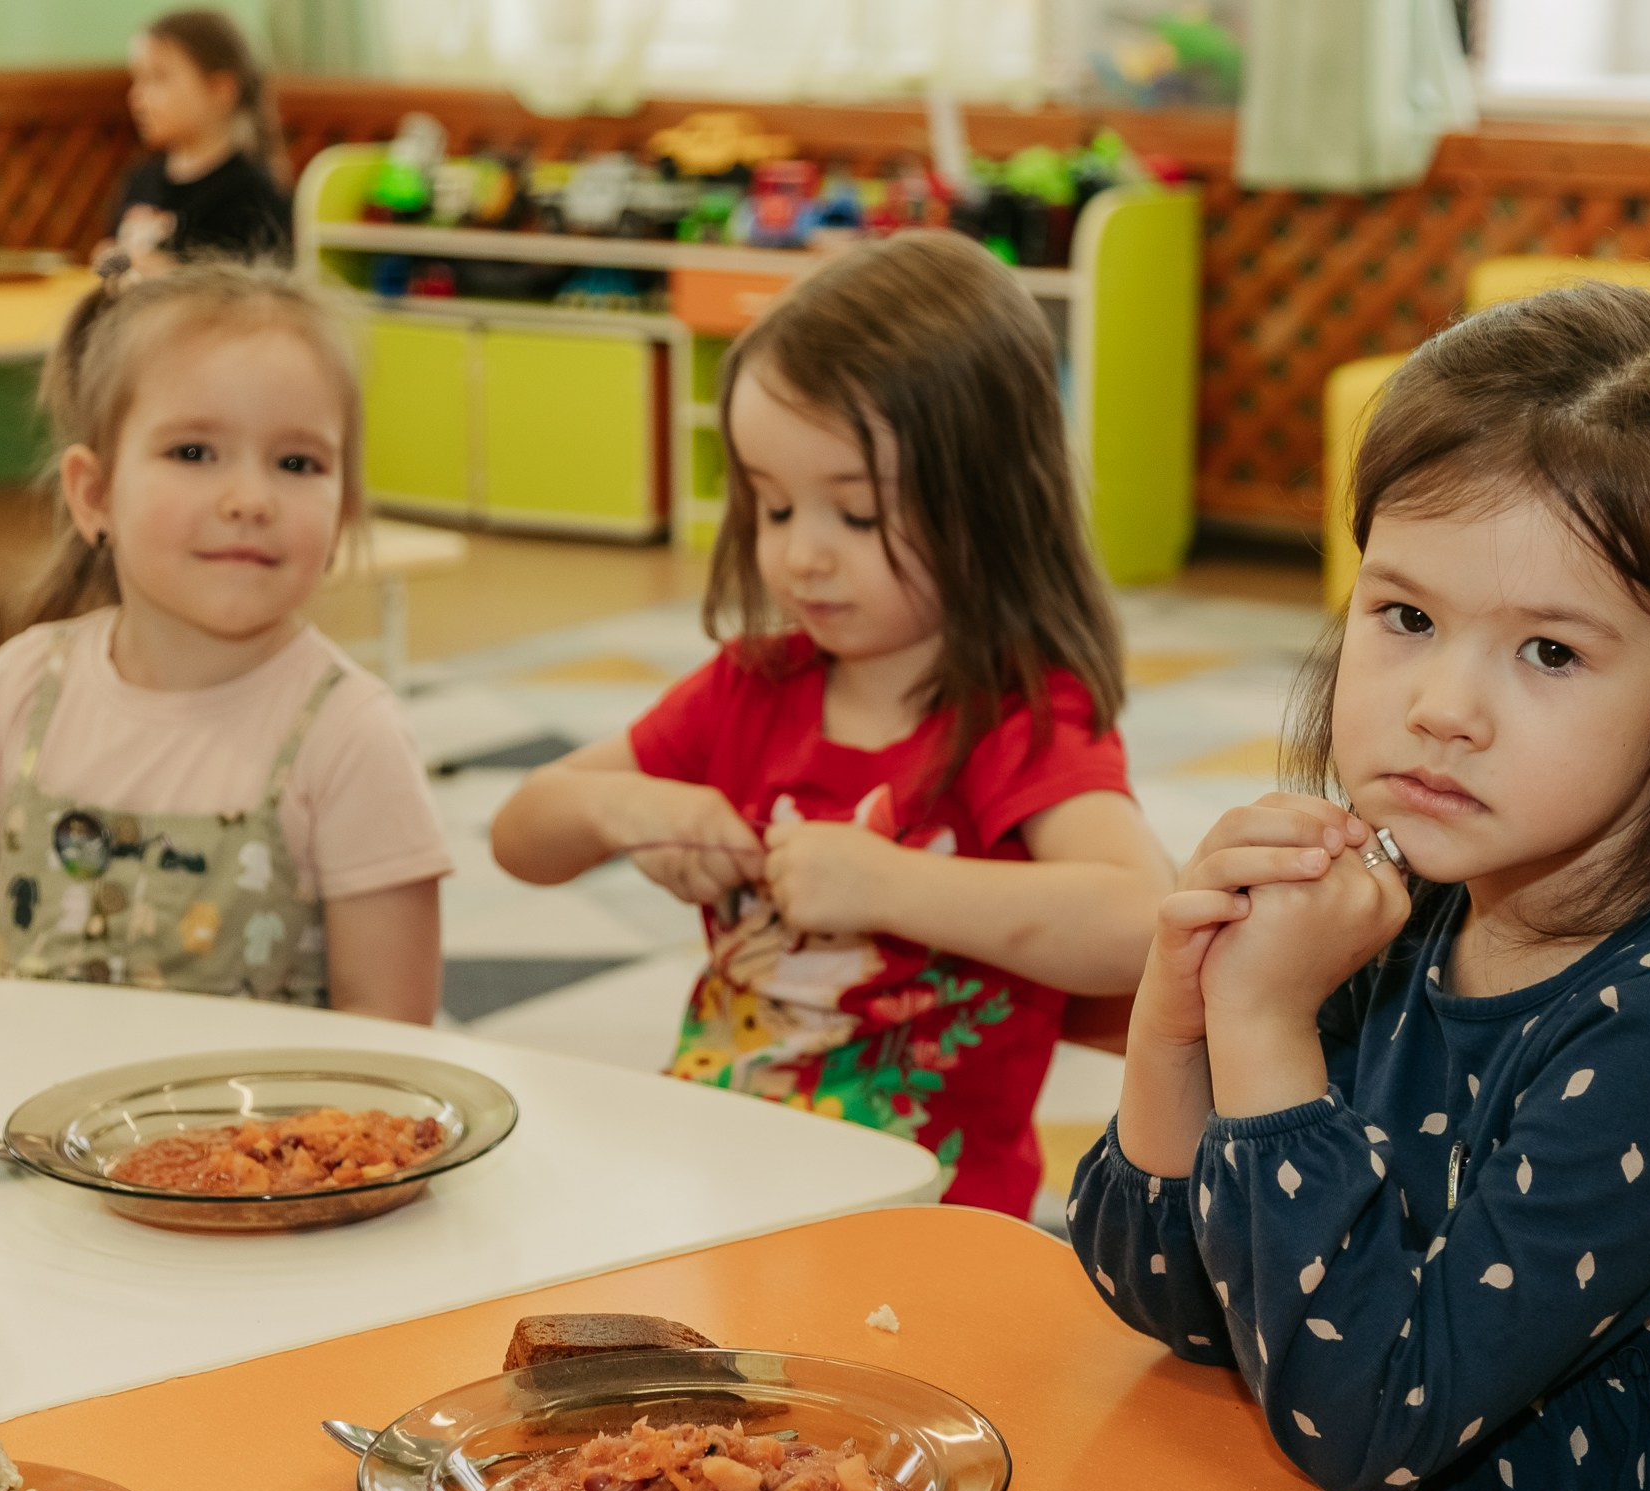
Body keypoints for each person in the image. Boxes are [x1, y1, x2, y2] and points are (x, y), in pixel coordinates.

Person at [1069, 282, 1650, 1491]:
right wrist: (1175, 1015)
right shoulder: (1408, 887)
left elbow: (1361, 1411)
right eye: (1406, 614)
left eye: (1549, 651)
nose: (1444, 702)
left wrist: (1264, 1029)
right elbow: (1171, 1293)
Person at [491, 231, 1175, 1217]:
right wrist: (621, 811)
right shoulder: (748, 689)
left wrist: (887, 885)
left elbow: (1135, 924)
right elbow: (523, 836)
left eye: (854, 517)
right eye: (772, 508)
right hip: (718, 1176)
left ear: (988, 510)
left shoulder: (1020, 720)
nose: (801, 556)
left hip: (917, 1221)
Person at [0, 261, 450, 1022]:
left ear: (342, 511)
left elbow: (389, 1036)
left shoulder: (350, 736)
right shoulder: (20, 688)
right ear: (95, 495)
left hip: (255, 1138)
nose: (249, 499)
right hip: (12, 1129)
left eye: (297, 463)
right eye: (192, 453)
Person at [101, 9, 291, 272]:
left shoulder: (250, 196)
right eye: (138, 79)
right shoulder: (142, 180)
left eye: (158, 78)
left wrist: (164, 272)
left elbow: (248, 294)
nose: (137, 96)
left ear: (220, 89)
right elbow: (111, 258)